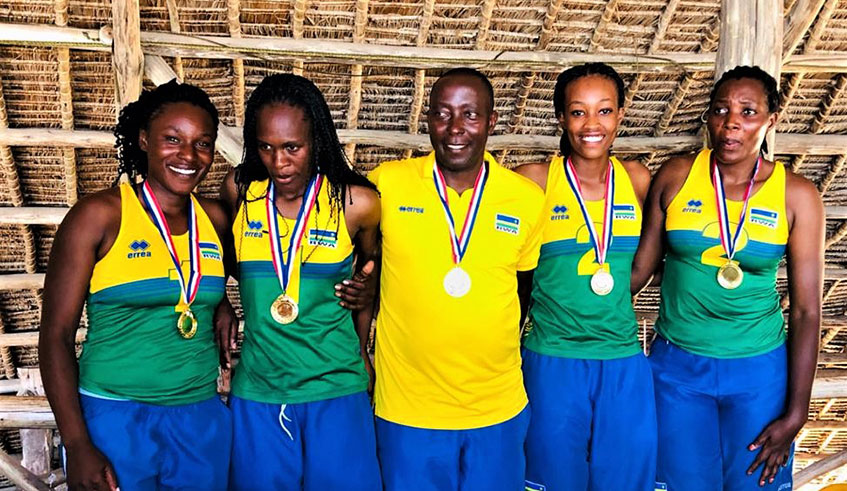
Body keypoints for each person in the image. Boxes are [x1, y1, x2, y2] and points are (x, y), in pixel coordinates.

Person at [632, 65, 824, 490]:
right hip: (677, 369)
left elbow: (808, 311)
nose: (731, 122)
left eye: (748, 111)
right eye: (720, 109)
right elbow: (640, 271)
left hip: (759, 374)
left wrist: (796, 414)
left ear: (771, 120)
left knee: (756, 482)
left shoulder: (797, 195)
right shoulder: (677, 175)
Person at [39, 80, 232, 490]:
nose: (188, 155)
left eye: (202, 143)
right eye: (172, 139)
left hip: (199, 417)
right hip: (114, 418)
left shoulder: (215, 220)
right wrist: (77, 443)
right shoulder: (99, 216)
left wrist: (222, 304)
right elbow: (55, 336)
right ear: (144, 140)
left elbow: (242, 276)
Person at [368, 67, 545, 490]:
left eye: (470, 115)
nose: (455, 129)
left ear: (491, 122)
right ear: (427, 119)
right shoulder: (387, 184)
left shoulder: (525, 198)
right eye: (443, 114)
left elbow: (523, 290)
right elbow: (362, 265)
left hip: (497, 408)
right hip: (407, 410)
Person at [219, 73, 382, 490]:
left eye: (293, 147)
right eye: (266, 147)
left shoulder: (355, 203)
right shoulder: (239, 193)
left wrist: (364, 335)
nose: (279, 162)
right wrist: (220, 300)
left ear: (317, 140)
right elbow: (218, 260)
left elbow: (371, 271)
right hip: (258, 389)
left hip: (336, 385)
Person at [513, 62, 656, 490]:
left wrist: (603, 298)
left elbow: (643, 262)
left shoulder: (636, 178)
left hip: (623, 362)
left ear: (621, 114)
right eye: (578, 112)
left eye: (604, 111)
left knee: (627, 481)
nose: (591, 124)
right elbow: (509, 268)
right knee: (553, 480)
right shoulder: (534, 181)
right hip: (552, 361)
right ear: (561, 118)